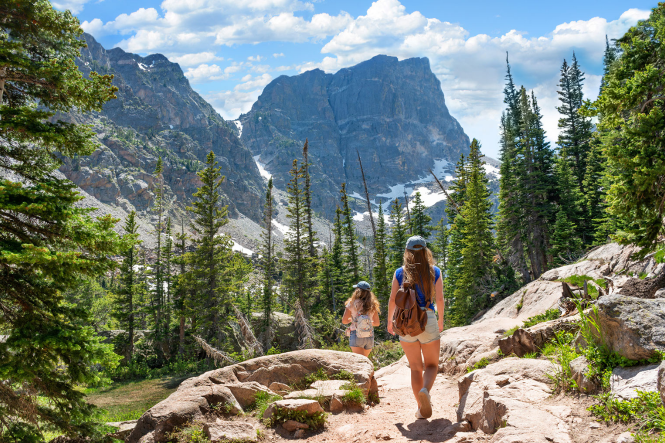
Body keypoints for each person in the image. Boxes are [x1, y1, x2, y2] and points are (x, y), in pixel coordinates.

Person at [387, 235, 444, 420]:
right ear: (425, 251)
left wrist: (390, 322)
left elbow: (392, 300)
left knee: (415, 368)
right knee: (432, 365)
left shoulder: (399, 272)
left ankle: (420, 409)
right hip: (427, 318)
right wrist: (440, 321)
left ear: (407, 252)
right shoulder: (434, 271)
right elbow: (440, 299)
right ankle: (425, 390)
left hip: (406, 322)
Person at [342, 281, 381, 357]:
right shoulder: (373, 304)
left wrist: (354, 320)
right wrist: (366, 322)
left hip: (356, 335)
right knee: (365, 360)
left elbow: (344, 321)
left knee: (361, 363)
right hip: (369, 335)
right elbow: (377, 323)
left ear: (357, 291)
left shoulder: (352, 303)